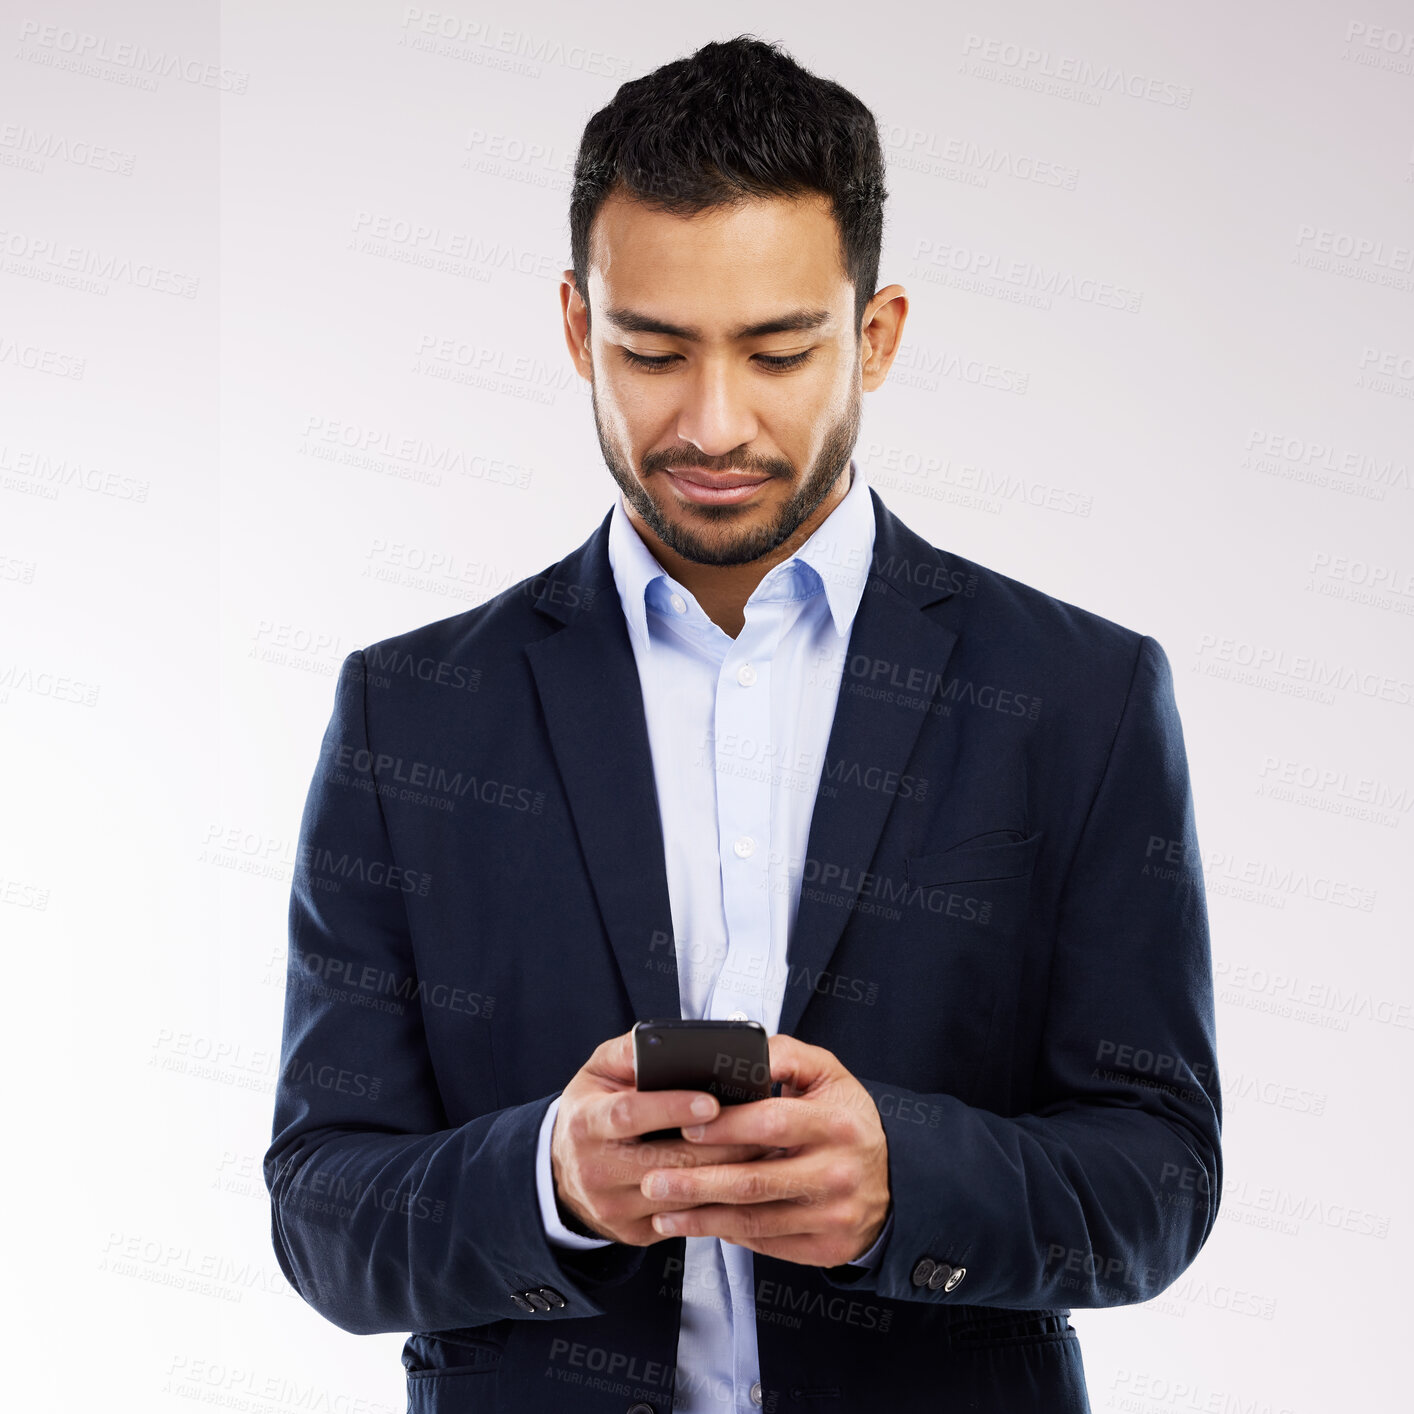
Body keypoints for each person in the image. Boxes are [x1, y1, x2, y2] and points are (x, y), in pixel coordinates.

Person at [264, 34, 1221, 1414]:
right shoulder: (412, 711)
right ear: (579, 330)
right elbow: (321, 1212)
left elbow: (1160, 1175)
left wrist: (907, 1179)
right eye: (652, 349)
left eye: (778, 351)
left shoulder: (1079, 694)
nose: (713, 421)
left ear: (875, 337)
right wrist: (550, 1178)